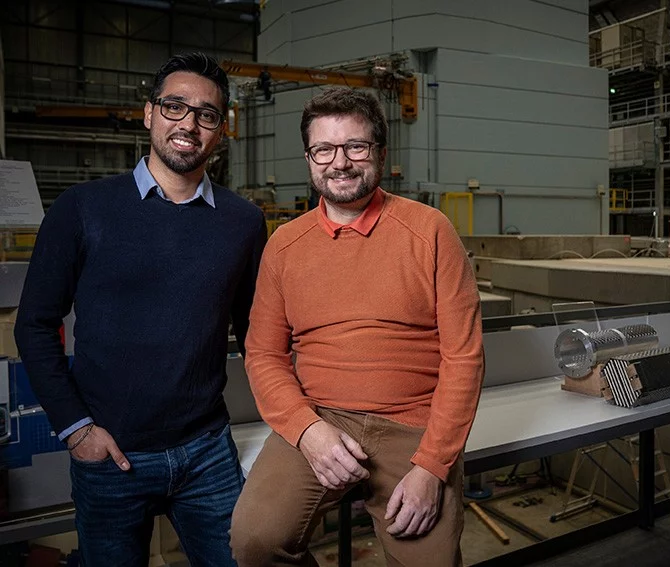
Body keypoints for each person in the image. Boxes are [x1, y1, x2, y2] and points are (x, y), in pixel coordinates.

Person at [14, 52, 267, 567]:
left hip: (207, 452)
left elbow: (259, 333)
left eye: (207, 114)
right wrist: (77, 429)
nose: (189, 124)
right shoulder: (82, 208)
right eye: (175, 106)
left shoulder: (243, 222)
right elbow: (35, 325)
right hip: (109, 455)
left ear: (221, 131)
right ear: (148, 113)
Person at [230, 87, 485, 566]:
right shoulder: (284, 246)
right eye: (323, 149)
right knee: (255, 541)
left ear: (381, 154)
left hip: (413, 425)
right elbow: (263, 353)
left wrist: (432, 466)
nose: (339, 162)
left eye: (356, 147)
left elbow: (464, 356)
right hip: (320, 417)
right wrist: (307, 430)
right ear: (309, 158)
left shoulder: (429, 231)